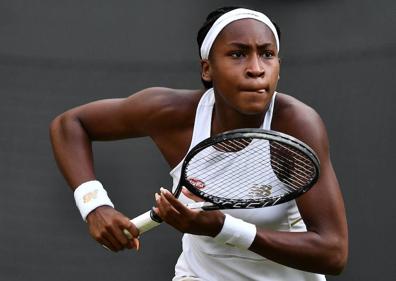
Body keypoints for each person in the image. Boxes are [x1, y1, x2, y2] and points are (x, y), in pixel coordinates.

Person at [50, 6, 348, 281]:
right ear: (207, 69)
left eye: (267, 54)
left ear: (278, 66)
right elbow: (70, 125)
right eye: (238, 54)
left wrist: (222, 228)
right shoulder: (170, 113)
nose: (256, 68)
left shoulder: (296, 125)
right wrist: (95, 205)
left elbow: (333, 252)